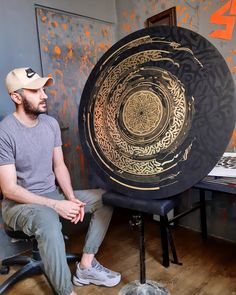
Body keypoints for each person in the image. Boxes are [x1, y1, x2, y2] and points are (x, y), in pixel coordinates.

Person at [0, 67, 121, 295]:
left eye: (43, 89)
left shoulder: (50, 124)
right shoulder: (4, 133)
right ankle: (66, 292)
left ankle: (85, 266)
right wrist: (56, 205)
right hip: (19, 206)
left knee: (106, 197)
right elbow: (9, 189)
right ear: (16, 97)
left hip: (51, 195)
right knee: (46, 218)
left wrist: (72, 198)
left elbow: (59, 166)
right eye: (35, 91)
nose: (44, 95)